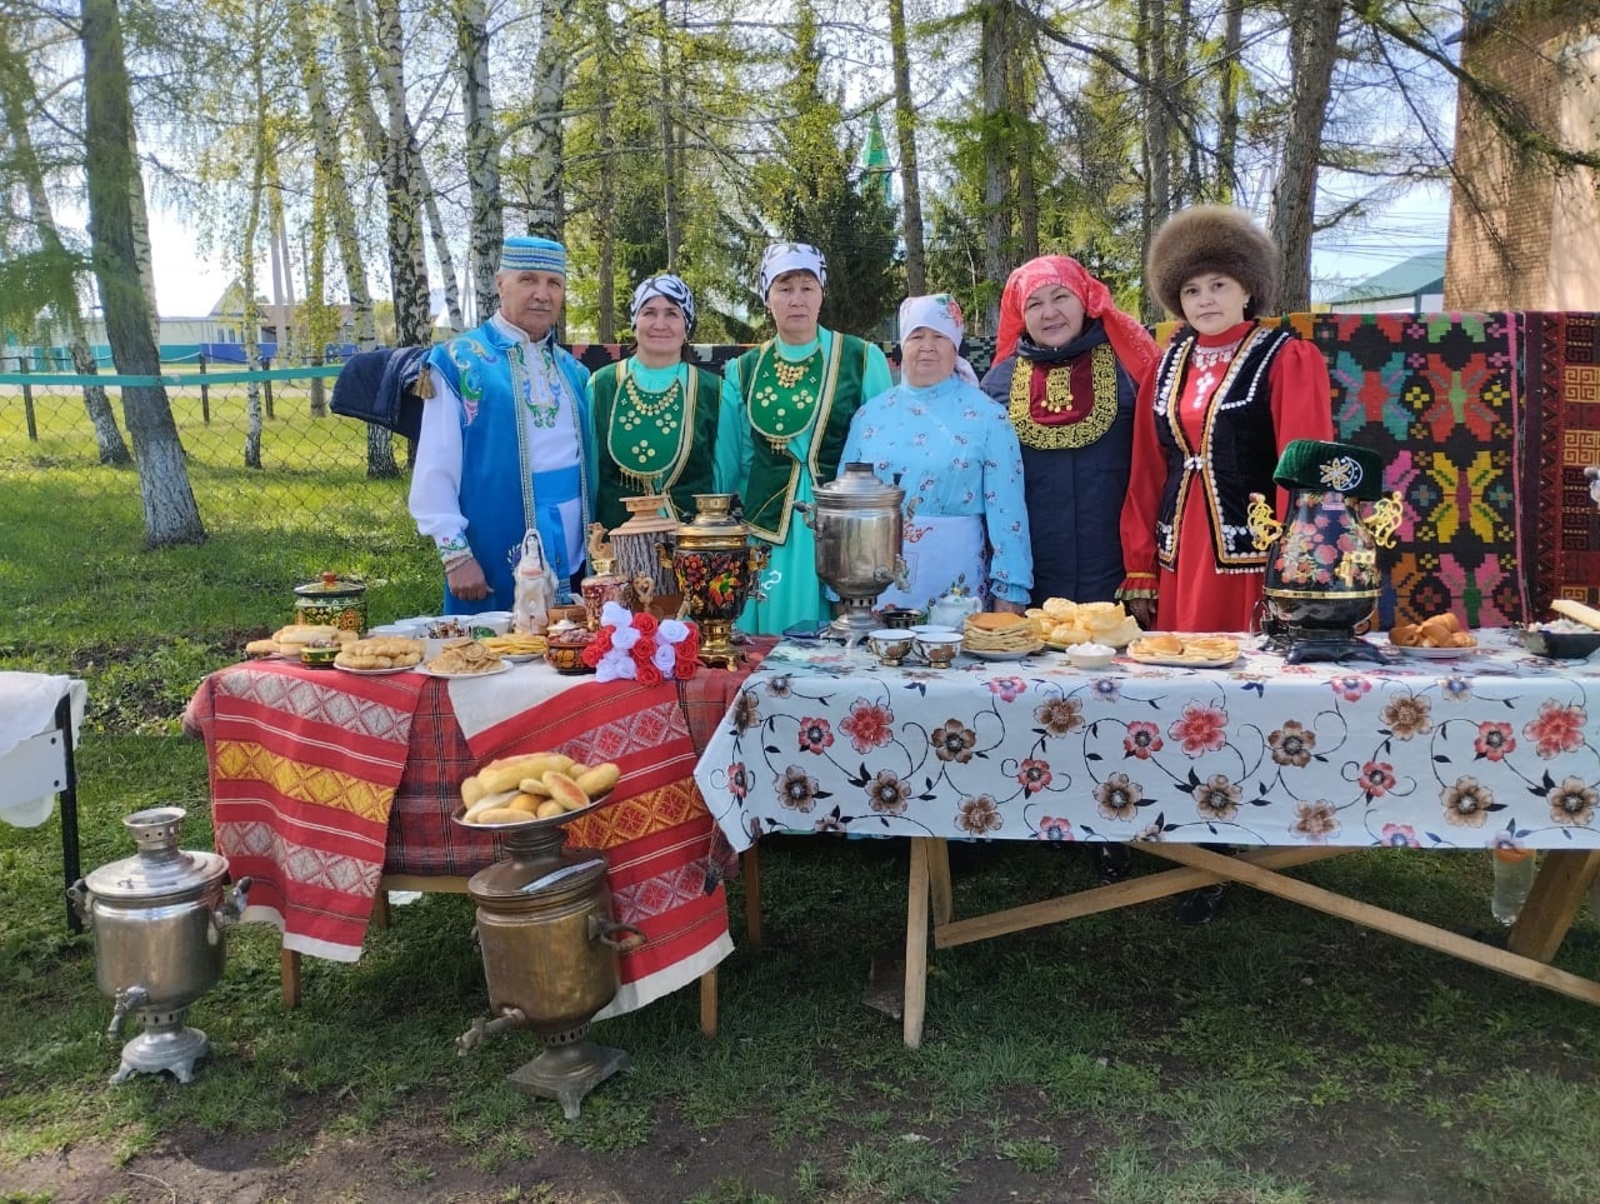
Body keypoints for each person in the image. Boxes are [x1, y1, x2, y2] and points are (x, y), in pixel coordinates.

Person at [1118, 204, 1334, 925]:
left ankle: (1235, 836)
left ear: (1248, 288)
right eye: (1191, 289)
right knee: (1180, 695)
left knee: (1243, 699)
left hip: (1250, 561)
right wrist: (1140, 564)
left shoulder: (1287, 356)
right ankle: (1185, 826)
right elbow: (1147, 470)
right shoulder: (1166, 364)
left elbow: (1305, 463)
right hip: (1180, 558)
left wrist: (1296, 564)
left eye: (1218, 284)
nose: (1205, 299)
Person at [714, 242, 893, 635]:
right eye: (784, 288)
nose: (797, 299)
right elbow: (738, 458)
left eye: (807, 287)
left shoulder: (861, 358)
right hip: (768, 529)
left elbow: (881, 451)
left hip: (843, 526)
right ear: (767, 298)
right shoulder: (744, 369)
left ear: (822, 294)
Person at [409, 235, 595, 614]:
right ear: (500, 284)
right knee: (495, 645)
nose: (542, 294)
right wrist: (455, 555)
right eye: (528, 280)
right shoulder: (459, 362)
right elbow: (435, 463)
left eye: (554, 283)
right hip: (493, 543)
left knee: (573, 641)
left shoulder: (574, 371)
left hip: (577, 551)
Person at [980, 255, 1159, 606]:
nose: (1049, 313)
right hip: (1029, 585)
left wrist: (1145, 570)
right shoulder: (996, 385)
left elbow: (1157, 470)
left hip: (1119, 579)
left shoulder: (1131, 370)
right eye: (1034, 304)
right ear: (1021, 314)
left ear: (1084, 300)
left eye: (1060, 297)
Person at [841, 294, 1032, 614]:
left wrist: (1010, 592)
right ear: (903, 345)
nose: (927, 346)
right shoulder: (868, 416)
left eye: (939, 336)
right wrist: (842, 592)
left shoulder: (989, 417)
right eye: (917, 336)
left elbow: (1008, 512)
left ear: (955, 346)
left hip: (958, 590)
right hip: (876, 590)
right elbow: (845, 507)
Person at [586, 273, 723, 532]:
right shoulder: (601, 385)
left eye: (672, 313)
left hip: (690, 542)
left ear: (687, 326)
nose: (660, 324)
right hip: (617, 541)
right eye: (649, 312)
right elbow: (590, 476)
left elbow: (723, 476)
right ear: (634, 322)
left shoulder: (714, 391)